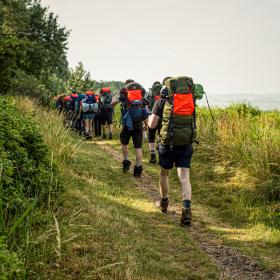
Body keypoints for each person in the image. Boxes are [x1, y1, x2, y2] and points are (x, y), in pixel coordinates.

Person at [148, 76, 197, 226]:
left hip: (167, 143)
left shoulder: (162, 101)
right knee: (184, 177)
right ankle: (186, 210)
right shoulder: (190, 99)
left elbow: (152, 124)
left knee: (164, 173)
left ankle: (164, 203)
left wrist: (151, 116)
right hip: (186, 142)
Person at [112, 79, 149, 177]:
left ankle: (126, 161)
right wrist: (146, 124)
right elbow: (143, 111)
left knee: (124, 143)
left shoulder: (124, 95)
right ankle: (138, 168)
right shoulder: (140, 95)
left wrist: (118, 94)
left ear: (126, 86)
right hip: (138, 124)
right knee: (138, 148)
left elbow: (112, 103)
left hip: (127, 124)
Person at [147, 81, 163, 163]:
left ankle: (153, 155)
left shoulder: (150, 96)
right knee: (161, 137)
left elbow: (147, 107)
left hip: (152, 118)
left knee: (151, 136)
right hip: (163, 120)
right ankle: (161, 155)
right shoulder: (165, 97)